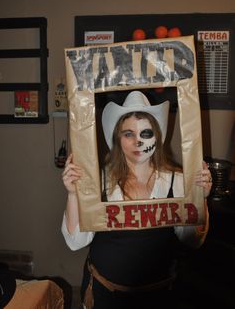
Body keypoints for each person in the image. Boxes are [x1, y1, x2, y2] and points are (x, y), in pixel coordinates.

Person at [61, 91, 212, 309]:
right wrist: (73, 193)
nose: (138, 142)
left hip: (157, 298)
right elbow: (75, 241)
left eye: (146, 133)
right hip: (104, 297)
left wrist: (201, 198)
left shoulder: (177, 182)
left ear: (156, 137)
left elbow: (193, 240)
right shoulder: (98, 182)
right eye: (128, 134)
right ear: (117, 138)